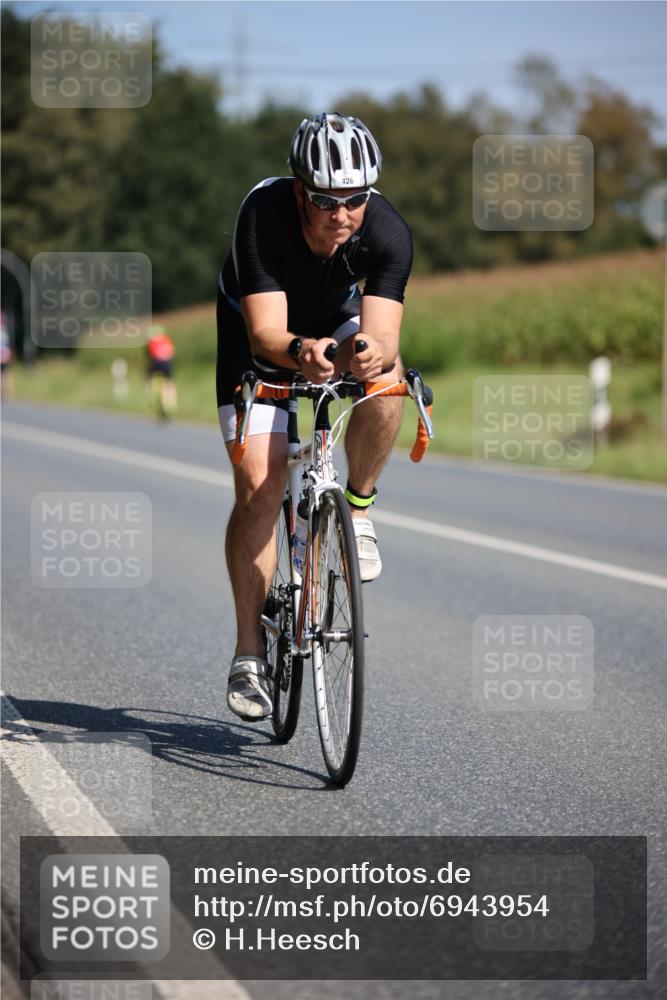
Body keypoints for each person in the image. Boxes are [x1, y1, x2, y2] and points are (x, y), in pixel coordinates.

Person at [217, 112, 413, 720]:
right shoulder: (264, 213)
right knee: (259, 486)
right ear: (301, 190)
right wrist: (301, 353)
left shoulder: (387, 232)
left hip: (334, 318)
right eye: (326, 200)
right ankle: (249, 652)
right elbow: (266, 335)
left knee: (388, 380)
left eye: (355, 199)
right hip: (260, 334)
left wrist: (368, 354)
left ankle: (356, 509)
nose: (342, 214)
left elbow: (381, 333)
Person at [145, 325, 177, 418]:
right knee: (169, 382)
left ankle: (151, 394)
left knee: (149, 379)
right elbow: (172, 353)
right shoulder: (167, 340)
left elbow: (149, 356)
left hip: (156, 364)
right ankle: (171, 401)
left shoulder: (152, 342)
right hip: (167, 364)